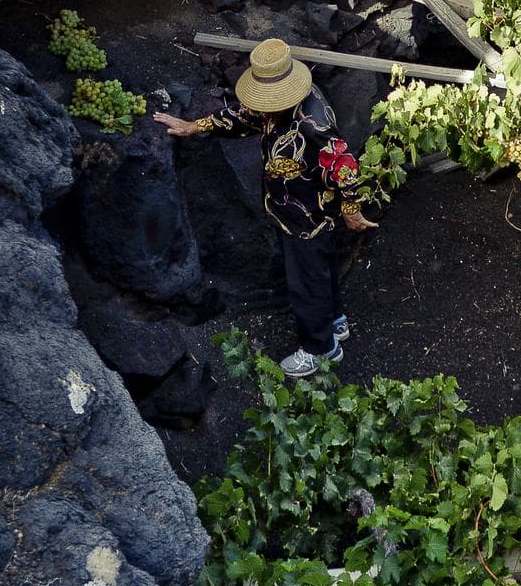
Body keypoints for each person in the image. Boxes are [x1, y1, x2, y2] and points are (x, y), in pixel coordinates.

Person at [155, 38, 378, 377]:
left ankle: (321, 349)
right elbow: (244, 116)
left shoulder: (313, 123)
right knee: (319, 270)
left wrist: (351, 209)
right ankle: (334, 322)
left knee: (305, 282)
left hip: (307, 216)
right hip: (291, 211)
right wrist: (196, 126)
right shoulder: (276, 106)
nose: (262, 106)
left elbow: (344, 164)